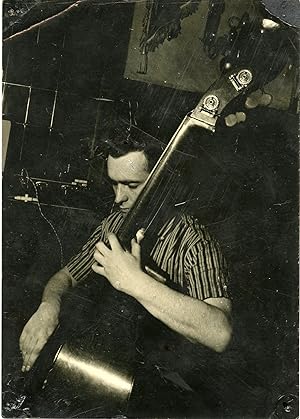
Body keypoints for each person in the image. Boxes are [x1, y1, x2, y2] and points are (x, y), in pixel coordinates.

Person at [19, 126, 232, 404]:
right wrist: (49, 305)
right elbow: (65, 277)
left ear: (162, 181)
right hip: (107, 376)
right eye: (114, 183)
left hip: (162, 393)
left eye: (132, 185)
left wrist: (135, 281)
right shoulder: (115, 223)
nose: (118, 197)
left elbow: (220, 333)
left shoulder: (195, 243)